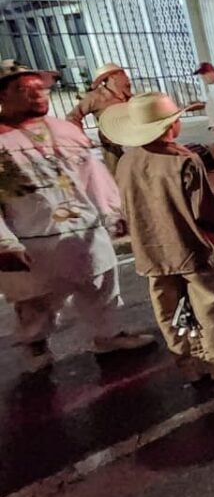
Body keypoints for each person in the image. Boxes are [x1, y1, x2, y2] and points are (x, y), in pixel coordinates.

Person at [0, 63, 154, 373]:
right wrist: (4, 243)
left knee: (101, 283)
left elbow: (92, 174)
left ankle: (107, 335)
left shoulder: (65, 131)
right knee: (34, 299)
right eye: (22, 89)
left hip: (85, 230)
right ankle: (36, 345)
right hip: (31, 241)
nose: (36, 93)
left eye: (39, 86)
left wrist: (111, 212)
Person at [102, 92, 214, 382]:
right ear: (168, 127)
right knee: (211, 308)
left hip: (151, 251)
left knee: (171, 311)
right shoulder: (185, 161)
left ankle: (189, 363)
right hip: (191, 249)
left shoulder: (126, 162)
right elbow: (207, 211)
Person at [66, 62, 133, 174]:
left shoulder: (128, 95)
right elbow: (72, 117)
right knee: (117, 174)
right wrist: (81, 137)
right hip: (112, 144)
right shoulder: (94, 97)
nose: (127, 78)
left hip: (133, 140)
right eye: (123, 74)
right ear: (112, 77)